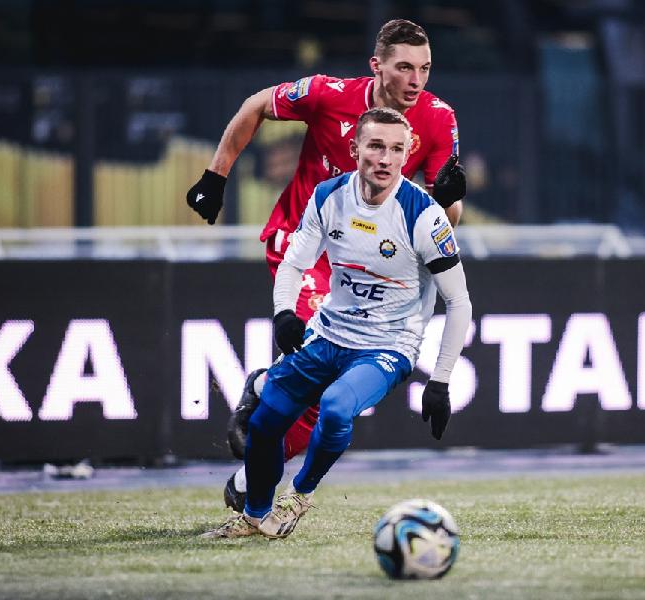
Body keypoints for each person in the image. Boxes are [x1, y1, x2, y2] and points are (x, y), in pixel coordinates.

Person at [186, 19, 467, 511]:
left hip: (366, 256)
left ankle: (256, 447)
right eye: (404, 67)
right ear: (376, 65)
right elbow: (257, 105)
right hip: (304, 240)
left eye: (424, 69)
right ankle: (268, 412)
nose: (415, 80)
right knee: (323, 352)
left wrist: (447, 199)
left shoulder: (439, 118)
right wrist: (216, 175)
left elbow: (443, 221)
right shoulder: (327, 94)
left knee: (329, 391)